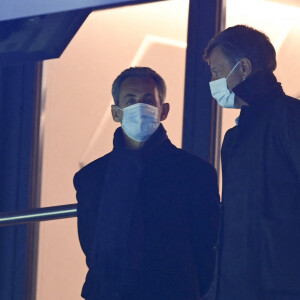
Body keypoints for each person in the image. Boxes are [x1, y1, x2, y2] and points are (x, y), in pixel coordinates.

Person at [73, 67, 220, 300]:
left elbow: (206, 246)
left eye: (148, 100)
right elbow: (92, 246)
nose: (138, 107)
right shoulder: (92, 177)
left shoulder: (195, 173)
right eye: (130, 100)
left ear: (164, 110)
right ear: (116, 112)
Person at [203, 25, 300, 300]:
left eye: (217, 72)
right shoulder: (234, 137)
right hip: (240, 286)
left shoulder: (290, 118)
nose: (213, 81)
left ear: (243, 68)